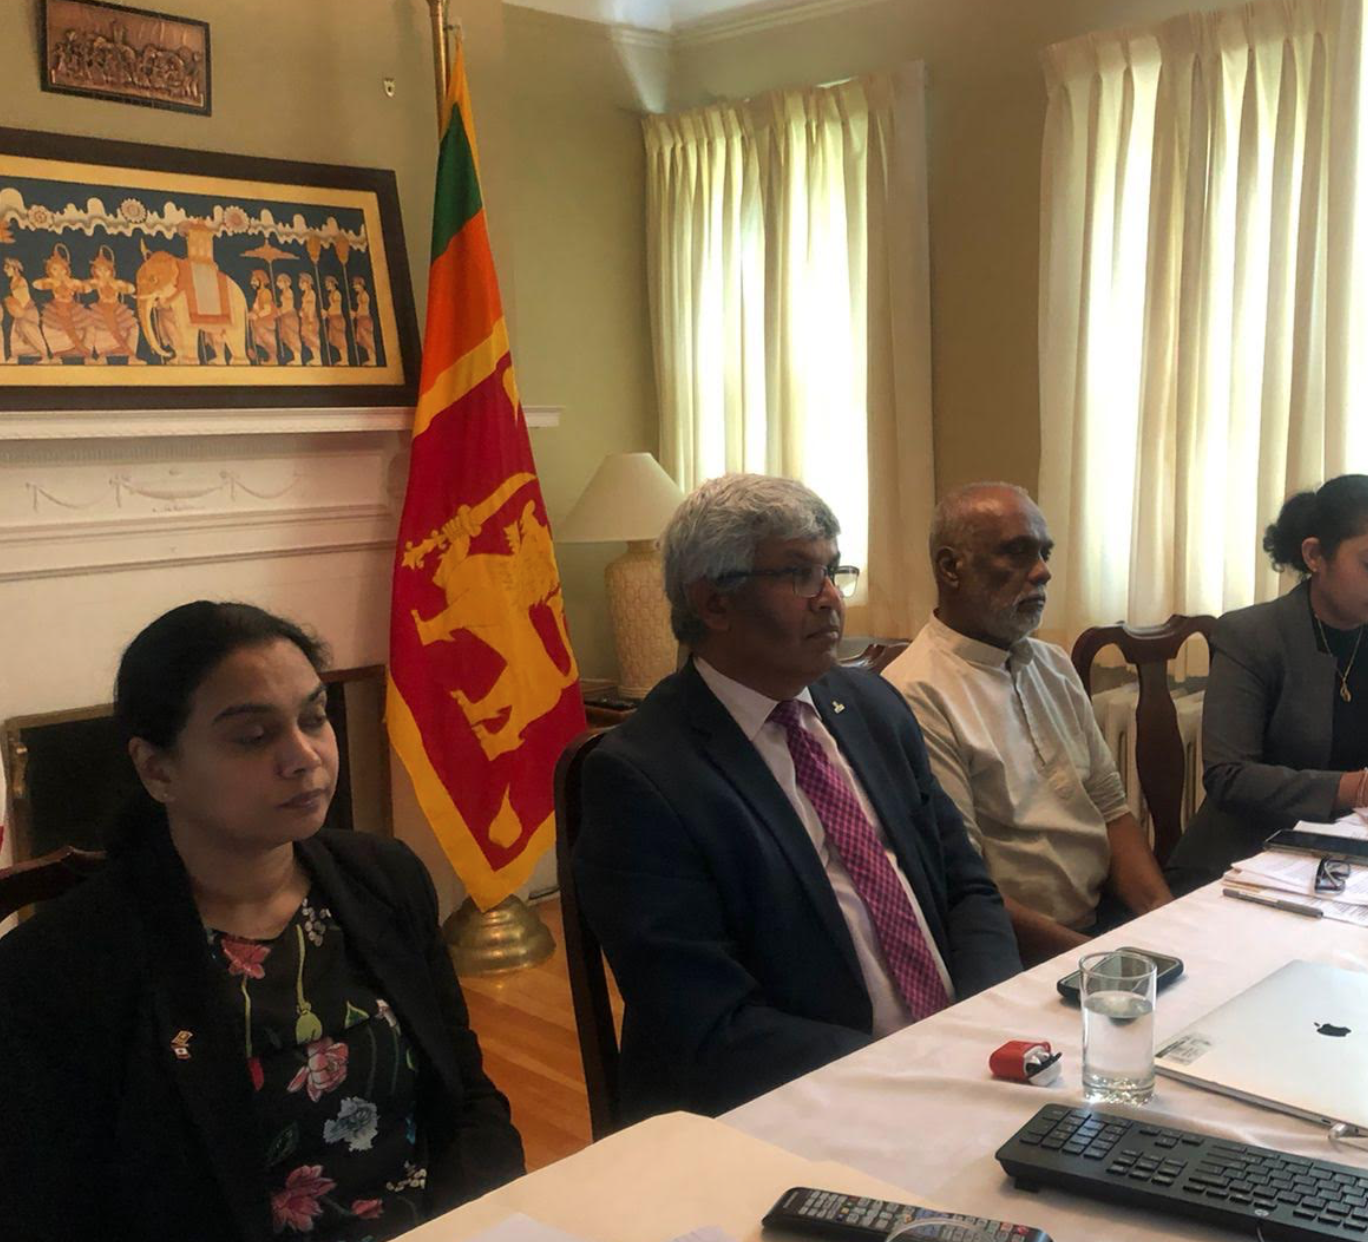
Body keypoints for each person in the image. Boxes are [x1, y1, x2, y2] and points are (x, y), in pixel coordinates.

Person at [0, 602, 523, 1242]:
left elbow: (467, 1097)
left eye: (314, 717)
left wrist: (478, 1223)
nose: (304, 756)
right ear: (157, 769)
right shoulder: (62, 967)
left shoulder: (384, 879)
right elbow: (52, 1213)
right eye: (253, 736)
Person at [575, 474, 1021, 1121]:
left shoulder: (872, 705)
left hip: (957, 1061)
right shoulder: (641, 777)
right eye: (799, 574)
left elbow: (965, 884)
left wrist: (982, 1022)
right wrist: (906, 1071)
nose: (830, 599)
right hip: (794, 1108)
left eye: (833, 571)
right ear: (714, 602)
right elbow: (707, 1021)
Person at [1167, 475, 1368, 891]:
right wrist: (1365, 787)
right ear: (1315, 555)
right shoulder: (1252, 635)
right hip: (1252, 860)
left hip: (1367, 864)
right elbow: (1230, 777)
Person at [885, 483, 1171, 964]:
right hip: (1017, 952)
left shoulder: (1052, 664)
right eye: (1017, 552)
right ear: (951, 568)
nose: (1042, 571)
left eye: (1044, 553)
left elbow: (1111, 811)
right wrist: (1101, 966)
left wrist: (1166, 926)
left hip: (1100, 928)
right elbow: (965, 888)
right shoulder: (914, 693)